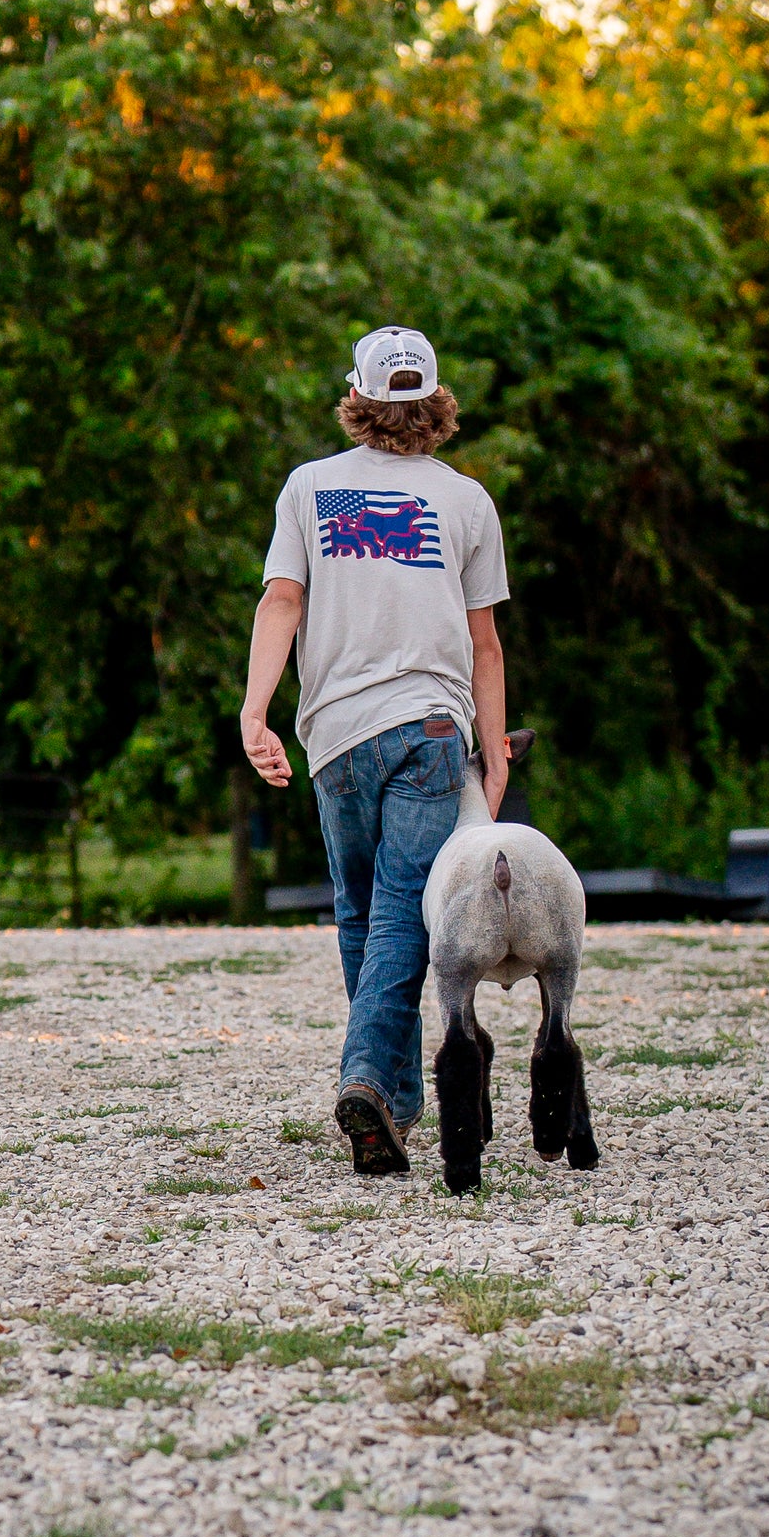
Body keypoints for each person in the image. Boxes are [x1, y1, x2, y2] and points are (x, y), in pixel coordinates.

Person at [240, 326, 511, 1175]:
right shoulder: (465, 500)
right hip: (431, 728)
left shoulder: (310, 488)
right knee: (401, 915)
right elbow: (486, 643)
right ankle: (372, 1083)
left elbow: (280, 601)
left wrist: (256, 712)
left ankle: (387, 1099)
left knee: (360, 912)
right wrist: (494, 745)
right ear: (435, 404)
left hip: (336, 735)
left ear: (357, 398)